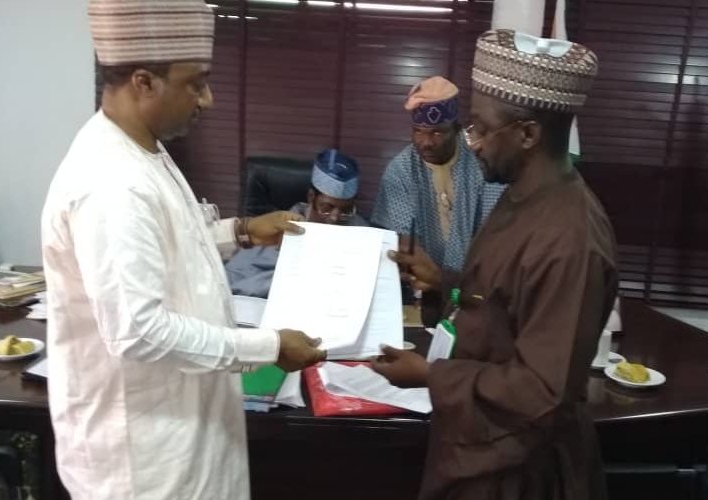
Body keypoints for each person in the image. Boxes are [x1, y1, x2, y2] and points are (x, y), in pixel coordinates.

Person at [40, 1, 325, 499]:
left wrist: (241, 232)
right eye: (196, 83)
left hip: (180, 432)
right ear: (144, 82)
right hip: (144, 464)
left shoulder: (141, 148)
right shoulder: (110, 183)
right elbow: (139, 331)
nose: (207, 99)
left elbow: (163, 241)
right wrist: (269, 347)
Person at [372, 29, 618, 500]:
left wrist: (430, 376)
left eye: (481, 129)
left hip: (518, 469)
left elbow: (542, 392)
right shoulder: (521, 194)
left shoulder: (571, 241)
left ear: (528, 134)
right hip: (477, 447)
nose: (473, 144)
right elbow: (504, 301)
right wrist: (445, 283)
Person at [370, 76, 505, 273]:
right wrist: (432, 279)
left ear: (456, 130)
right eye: (418, 131)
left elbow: (494, 232)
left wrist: (453, 283)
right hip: (420, 279)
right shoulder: (401, 170)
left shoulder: (482, 161)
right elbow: (405, 243)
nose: (426, 142)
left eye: (437, 133)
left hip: (477, 278)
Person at [226, 148, 368, 297]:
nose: (334, 218)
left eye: (345, 210)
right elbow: (232, 281)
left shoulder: (360, 230)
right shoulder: (277, 228)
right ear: (311, 197)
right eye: (327, 207)